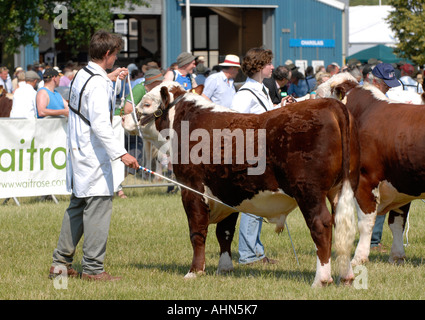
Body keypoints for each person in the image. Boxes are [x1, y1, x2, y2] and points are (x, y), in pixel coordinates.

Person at [49, 30, 139, 282]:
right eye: (116, 55)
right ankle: (92, 268)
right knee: (98, 209)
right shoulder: (98, 83)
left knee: (77, 207)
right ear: (108, 54)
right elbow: (100, 125)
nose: (116, 59)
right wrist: (122, 154)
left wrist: (110, 77)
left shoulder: (83, 74)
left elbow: (92, 90)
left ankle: (60, 263)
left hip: (80, 151)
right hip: (93, 155)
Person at [231, 47, 278, 265]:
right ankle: (248, 255)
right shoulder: (244, 94)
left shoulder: (263, 89)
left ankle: (257, 251)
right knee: (253, 204)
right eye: (269, 63)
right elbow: (235, 123)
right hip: (251, 152)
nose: (272, 67)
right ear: (259, 66)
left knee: (259, 203)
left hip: (263, 151)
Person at [366, 62, 401, 251]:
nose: (388, 86)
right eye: (385, 82)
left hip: (386, 151)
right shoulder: (367, 98)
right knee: (376, 195)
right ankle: (372, 241)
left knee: (385, 195)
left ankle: (374, 240)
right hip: (372, 153)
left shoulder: (384, 97)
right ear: (374, 80)